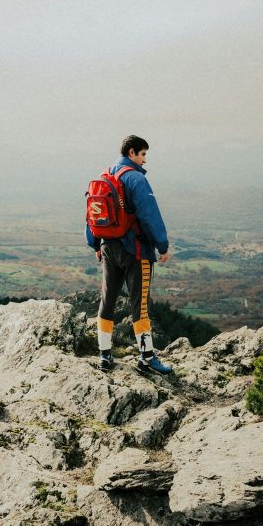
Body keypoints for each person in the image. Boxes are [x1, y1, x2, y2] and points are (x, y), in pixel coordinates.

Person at [86, 135, 173, 374]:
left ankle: (104, 355)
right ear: (132, 152)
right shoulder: (135, 179)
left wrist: (94, 244)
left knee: (107, 300)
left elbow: (92, 214)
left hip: (107, 248)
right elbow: (149, 215)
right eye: (143, 154)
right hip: (135, 250)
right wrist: (162, 245)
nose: (145, 160)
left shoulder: (104, 176)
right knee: (140, 304)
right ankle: (146, 357)